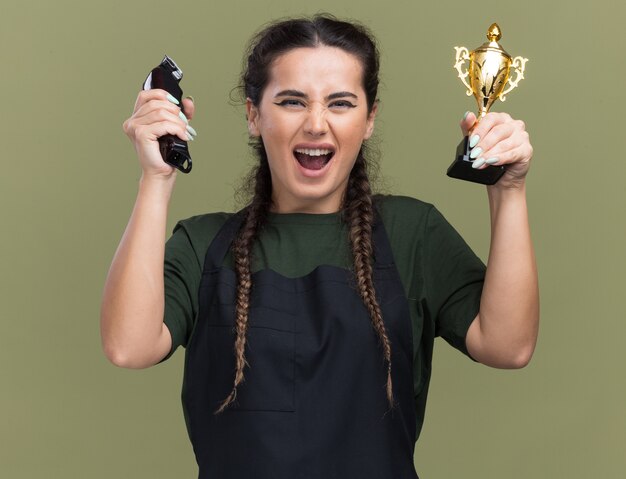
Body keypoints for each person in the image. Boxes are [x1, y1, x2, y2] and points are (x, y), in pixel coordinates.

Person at [100, 14, 539, 478]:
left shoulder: (414, 233)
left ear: (369, 119)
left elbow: (507, 347)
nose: (316, 124)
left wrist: (508, 191)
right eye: (291, 101)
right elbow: (130, 347)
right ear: (254, 115)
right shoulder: (202, 244)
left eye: (341, 103)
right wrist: (156, 177)